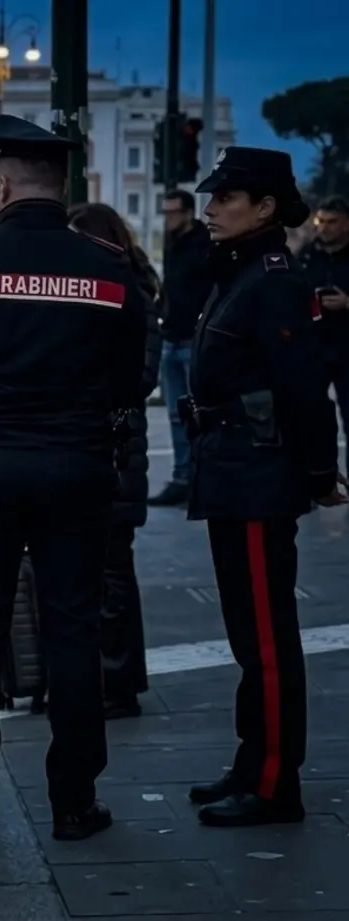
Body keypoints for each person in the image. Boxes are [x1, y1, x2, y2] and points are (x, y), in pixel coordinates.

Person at [0, 114, 150, 843]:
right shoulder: (109, 270)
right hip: (76, 468)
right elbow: (132, 378)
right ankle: (73, 800)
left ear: (2, 185)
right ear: (65, 186)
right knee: (71, 630)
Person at [180, 147, 347, 827]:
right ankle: (254, 761)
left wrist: (316, 473)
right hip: (233, 466)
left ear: (265, 207)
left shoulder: (273, 278)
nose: (210, 209)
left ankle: (276, 781)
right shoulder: (243, 270)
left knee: (267, 637)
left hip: (256, 470)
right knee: (247, 635)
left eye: (225, 198)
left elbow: (303, 388)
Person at [68, 203, 162, 719]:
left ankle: (119, 679)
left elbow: (138, 377)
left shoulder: (131, 293)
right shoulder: (118, 288)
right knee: (98, 571)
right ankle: (106, 676)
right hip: (104, 447)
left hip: (117, 450)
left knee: (112, 571)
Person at [149, 191, 213, 507]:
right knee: (176, 414)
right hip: (172, 335)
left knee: (198, 414)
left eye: (173, 212)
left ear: (188, 212)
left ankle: (199, 478)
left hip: (193, 338)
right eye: (165, 212)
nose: (168, 218)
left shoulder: (206, 244)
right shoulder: (173, 242)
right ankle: (182, 477)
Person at [301, 196, 349, 457]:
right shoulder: (308, 255)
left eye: (333, 222)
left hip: (346, 349)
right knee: (310, 420)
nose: (325, 228)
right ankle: (315, 485)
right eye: (321, 221)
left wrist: (347, 303)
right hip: (314, 348)